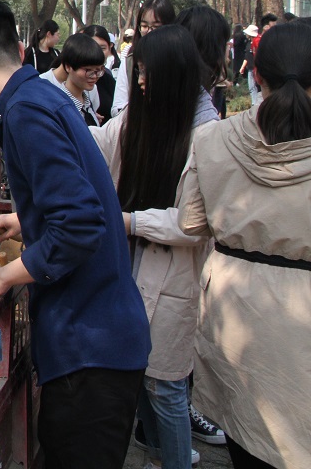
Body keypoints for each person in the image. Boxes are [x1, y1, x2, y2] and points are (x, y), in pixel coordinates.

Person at [0, 0, 150, 469]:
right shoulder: (42, 98)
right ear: (21, 51)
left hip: (89, 349)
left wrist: (2, 277)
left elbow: (81, 225)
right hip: (101, 340)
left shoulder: (26, 112)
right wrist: (30, 220)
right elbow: (86, 195)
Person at [179, 22, 311, 469]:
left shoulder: (214, 138)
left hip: (235, 322)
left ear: (256, 75)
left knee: (249, 444)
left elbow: (190, 222)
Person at [89, 26, 219, 469]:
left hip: (174, 275)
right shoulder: (136, 121)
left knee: (165, 387)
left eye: (149, 73)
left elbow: (193, 225)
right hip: (129, 267)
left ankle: (177, 461)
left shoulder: (206, 136)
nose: (141, 82)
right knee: (138, 372)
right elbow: (98, 143)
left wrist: (130, 221)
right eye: (138, 71)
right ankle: (159, 454)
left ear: (175, 76)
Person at [112, 0, 176, 116]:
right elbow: (117, 107)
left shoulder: (178, 60)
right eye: (144, 26)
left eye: (156, 26)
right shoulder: (130, 61)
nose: (149, 31)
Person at [38, 33, 105, 126]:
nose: (94, 76)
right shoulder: (57, 105)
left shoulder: (88, 100)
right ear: (68, 67)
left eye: (98, 70)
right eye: (88, 70)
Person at [82, 24, 119, 122]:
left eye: (102, 48)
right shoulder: (72, 78)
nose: (97, 52)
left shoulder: (109, 79)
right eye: (93, 47)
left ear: (110, 47)